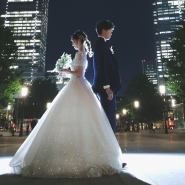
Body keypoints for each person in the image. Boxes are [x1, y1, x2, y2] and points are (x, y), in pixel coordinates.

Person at [9, 31, 123, 178]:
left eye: (73, 41)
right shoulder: (83, 54)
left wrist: (66, 70)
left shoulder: (79, 54)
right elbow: (79, 72)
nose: (72, 44)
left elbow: (79, 73)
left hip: (77, 85)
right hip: (79, 86)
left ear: (78, 40)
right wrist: (69, 71)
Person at [92, 20, 122, 133]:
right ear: (104, 30)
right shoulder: (100, 43)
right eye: (110, 30)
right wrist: (107, 86)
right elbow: (102, 66)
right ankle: (108, 146)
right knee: (108, 118)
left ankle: (108, 144)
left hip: (107, 87)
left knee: (109, 117)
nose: (111, 33)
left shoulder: (102, 43)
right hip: (106, 88)